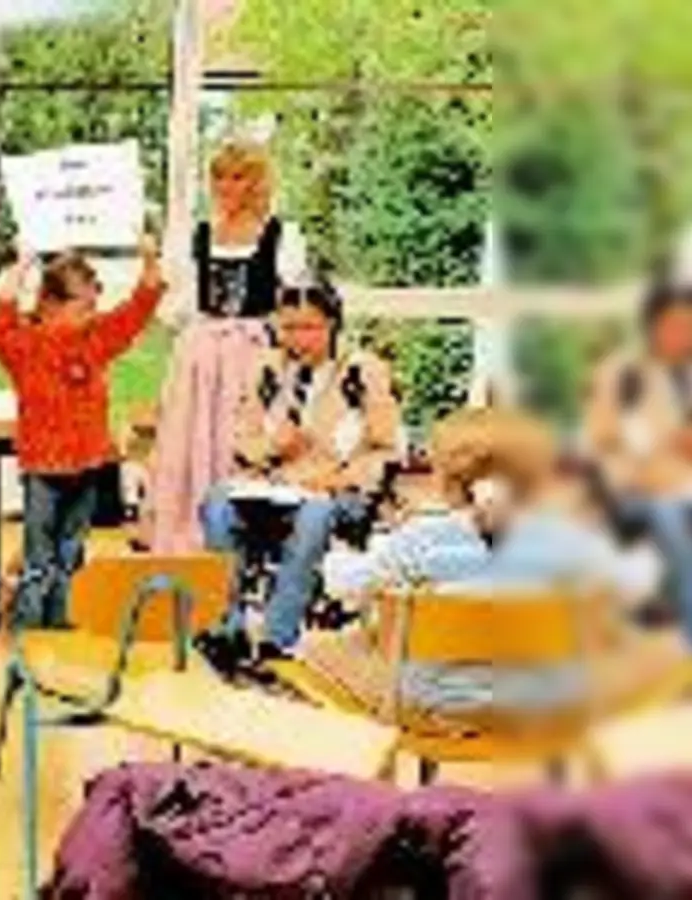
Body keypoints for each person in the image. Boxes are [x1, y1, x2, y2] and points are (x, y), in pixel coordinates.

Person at [300, 407, 686, 723]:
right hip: (548, 705)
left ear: (448, 476)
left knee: (322, 646)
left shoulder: (422, 537)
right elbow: (636, 582)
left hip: (438, 705)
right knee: (659, 651)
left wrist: (340, 553)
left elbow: (345, 585)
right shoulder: (563, 537)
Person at [194, 280, 403, 672]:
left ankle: (278, 638)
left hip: (337, 489)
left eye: (309, 327)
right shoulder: (267, 368)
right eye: (288, 327)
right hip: (276, 483)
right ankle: (228, 628)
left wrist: (331, 481)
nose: (298, 339)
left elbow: (385, 449)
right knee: (216, 503)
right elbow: (245, 436)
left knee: (314, 516)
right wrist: (274, 449)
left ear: (333, 324)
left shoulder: (363, 371)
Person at [0, 236, 166, 629]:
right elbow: (0, 315)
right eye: (83, 305)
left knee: (71, 555)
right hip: (43, 470)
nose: (92, 314)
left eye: (94, 306)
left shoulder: (96, 338)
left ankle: (60, 626)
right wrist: (21, 264)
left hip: (87, 467)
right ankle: (29, 632)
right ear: (50, 304)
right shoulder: (26, 344)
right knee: (39, 558)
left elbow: (139, 308)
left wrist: (150, 259)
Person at [146, 142, 290, 553]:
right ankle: (188, 534)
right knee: (192, 440)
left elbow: (290, 300)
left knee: (240, 439)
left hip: (253, 352)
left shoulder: (278, 235)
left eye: (238, 176)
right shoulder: (202, 235)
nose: (227, 186)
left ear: (257, 182)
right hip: (202, 353)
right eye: (220, 177)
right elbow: (184, 303)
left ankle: (244, 537)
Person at [584, 270, 692, 646]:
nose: (684, 334)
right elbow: (600, 441)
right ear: (652, 324)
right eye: (675, 325)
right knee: (669, 515)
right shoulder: (623, 373)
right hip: (635, 493)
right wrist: (663, 441)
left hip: (684, 487)